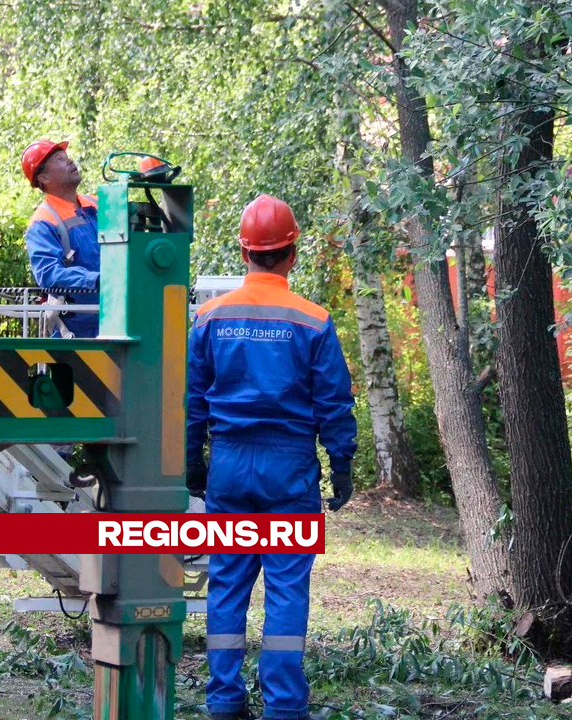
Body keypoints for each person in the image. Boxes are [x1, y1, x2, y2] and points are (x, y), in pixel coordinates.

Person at [186, 193, 357, 720]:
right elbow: (333, 402)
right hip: (289, 472)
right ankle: (284, 706)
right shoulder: (312, 319)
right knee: (286, 588)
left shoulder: (210, 316)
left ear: (244, 252)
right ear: (292, 253)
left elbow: (192, 401)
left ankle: (223, 699)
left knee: (227, 585)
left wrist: (194, 461)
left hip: (230, 467)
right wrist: (342, 464)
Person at [21, 139, 100, 338]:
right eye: (59, 159)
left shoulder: (98, 205)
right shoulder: (43, 222)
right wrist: (95, 280)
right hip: (76, 332)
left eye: (66, 157)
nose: (70, 161)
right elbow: (48, 274)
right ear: (44, 177)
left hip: (119, 322)